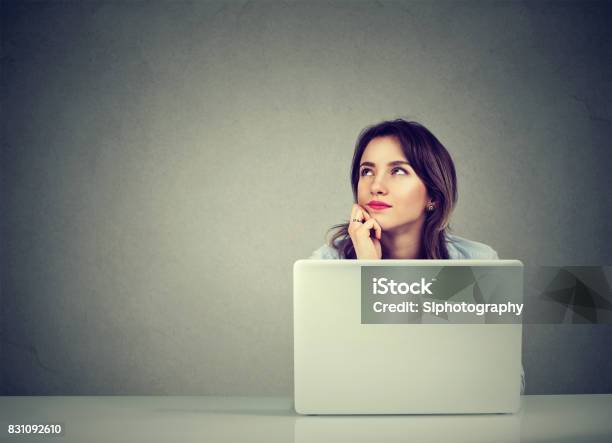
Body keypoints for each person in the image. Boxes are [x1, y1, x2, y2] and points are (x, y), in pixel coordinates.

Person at [310, 118, 525, 393]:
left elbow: (508, 383)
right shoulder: (325, 266)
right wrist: (369, 270)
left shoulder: (478, 262)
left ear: (432, 195)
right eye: (366, 171)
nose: (376, 185)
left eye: (398, 171)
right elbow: (334, 380)